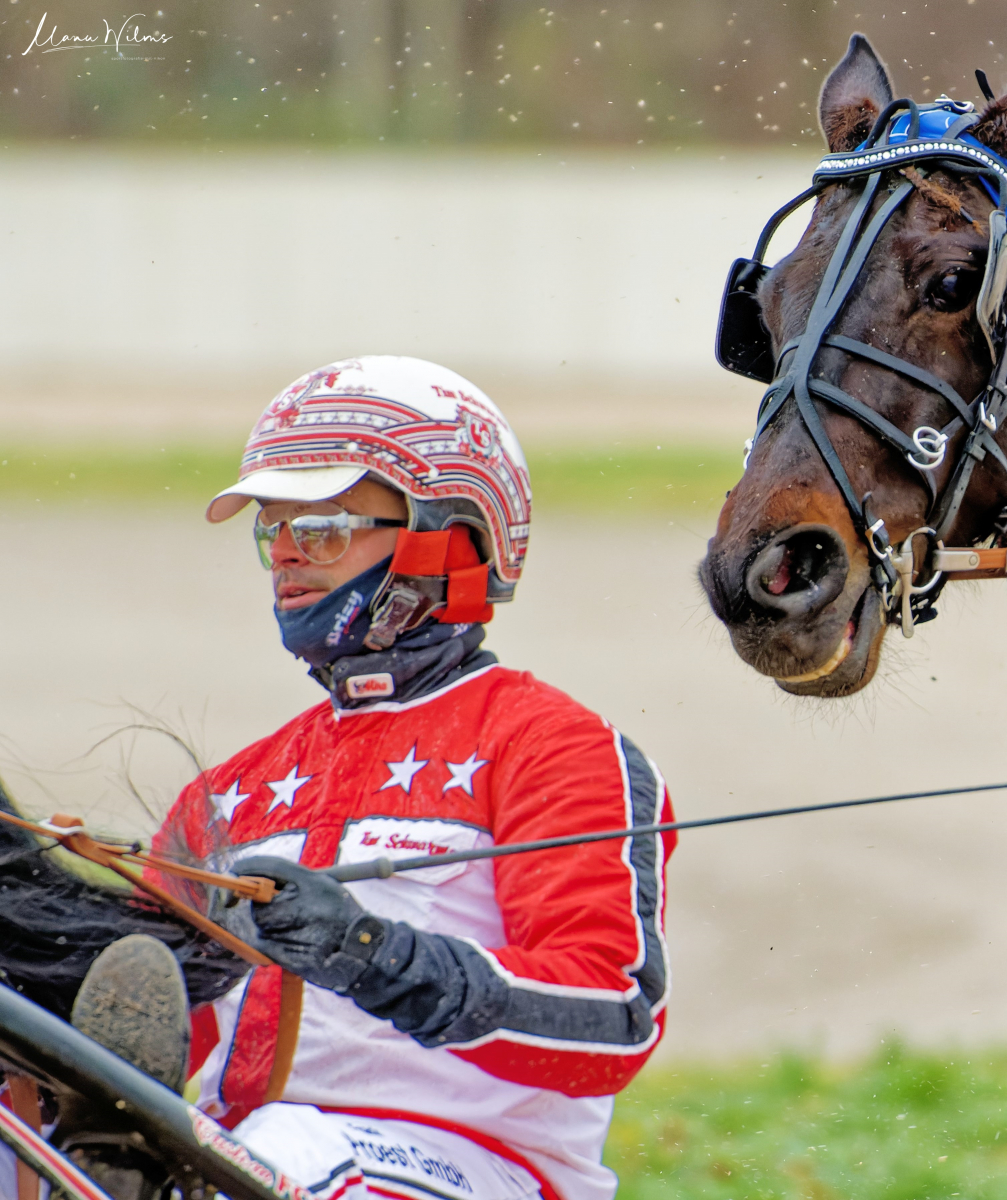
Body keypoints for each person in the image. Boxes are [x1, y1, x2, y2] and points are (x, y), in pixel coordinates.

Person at [77, 356, 674, 1200]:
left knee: (284, 1154)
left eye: (320, 526)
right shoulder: (231, 791)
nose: (285, 555)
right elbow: (130, 1017)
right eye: (271, 531)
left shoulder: (554, 748)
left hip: (483, 1169)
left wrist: (366, 953)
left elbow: (613, 1026)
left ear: (449, 533)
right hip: (232, 1156)